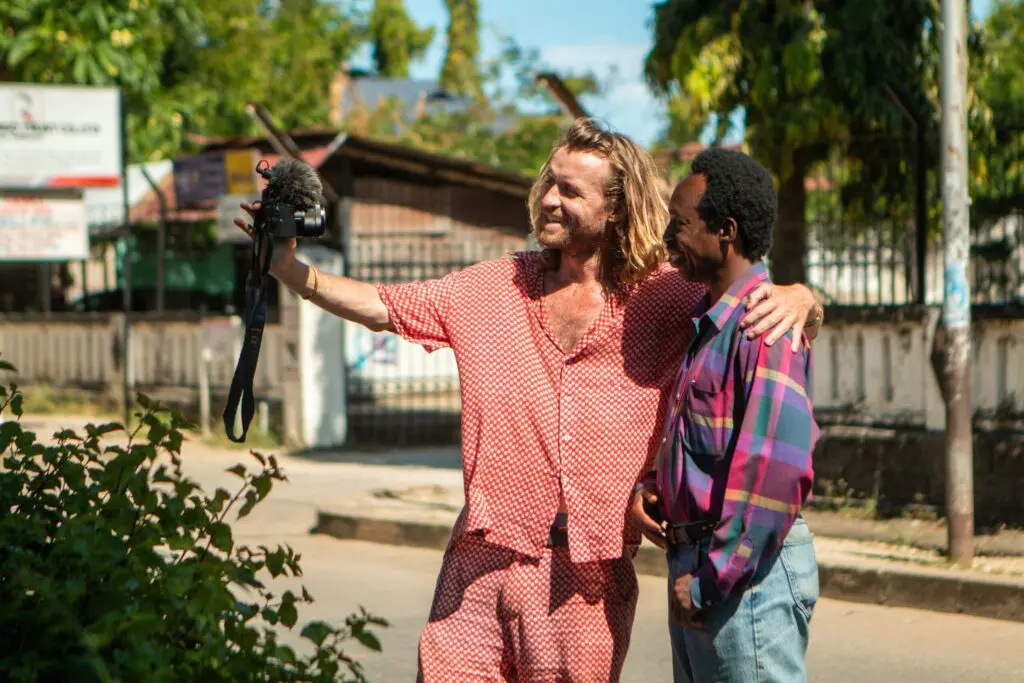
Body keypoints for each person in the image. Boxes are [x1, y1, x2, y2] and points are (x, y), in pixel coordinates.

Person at [236, 118, 824, 682]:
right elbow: (386, 303)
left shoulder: (666, 298)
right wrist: (289, 269)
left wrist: (804, 297)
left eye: (570, 190)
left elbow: (746, 302)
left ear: (615, 208)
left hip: (585, 583)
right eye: (548, 182)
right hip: (478, 567)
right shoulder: (492, 287)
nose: (549, 199)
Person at [631, 148, 820, 683]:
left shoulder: (764, 325)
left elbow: (774, 469)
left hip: (742, 576)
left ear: (726, 232)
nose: (668, 238)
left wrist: (714, 577)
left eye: (680, 225)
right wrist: (656, 487)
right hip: (706, 561)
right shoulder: (710, 325)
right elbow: (703, 439)